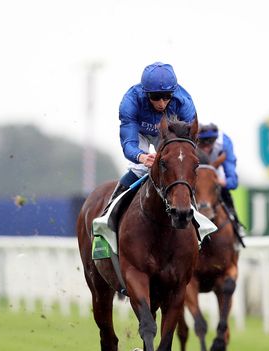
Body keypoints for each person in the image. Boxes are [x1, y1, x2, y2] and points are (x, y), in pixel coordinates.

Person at [102, 62, 197, 212]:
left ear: (174, 92)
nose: (161, 103)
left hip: (167, 133)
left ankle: (198, 220)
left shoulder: (184, 102)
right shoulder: (130, 102)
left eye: (167, 97)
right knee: (139, 169)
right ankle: (109, 212)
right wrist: (141, 157)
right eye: (156, 97)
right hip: (140, 132)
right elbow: (128, 143)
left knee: (179, 166)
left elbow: (189, 142)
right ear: (146, 93)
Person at [198, 123, 246, 241]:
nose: (205, 148)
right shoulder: (190, 141)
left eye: (209, 143)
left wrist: (220, 182)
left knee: (225, 193)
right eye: (202, 143)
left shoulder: (224, 143)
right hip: (194, 177)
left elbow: (233, 181)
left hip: (215, 176)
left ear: (215, 141)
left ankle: (236, 228)